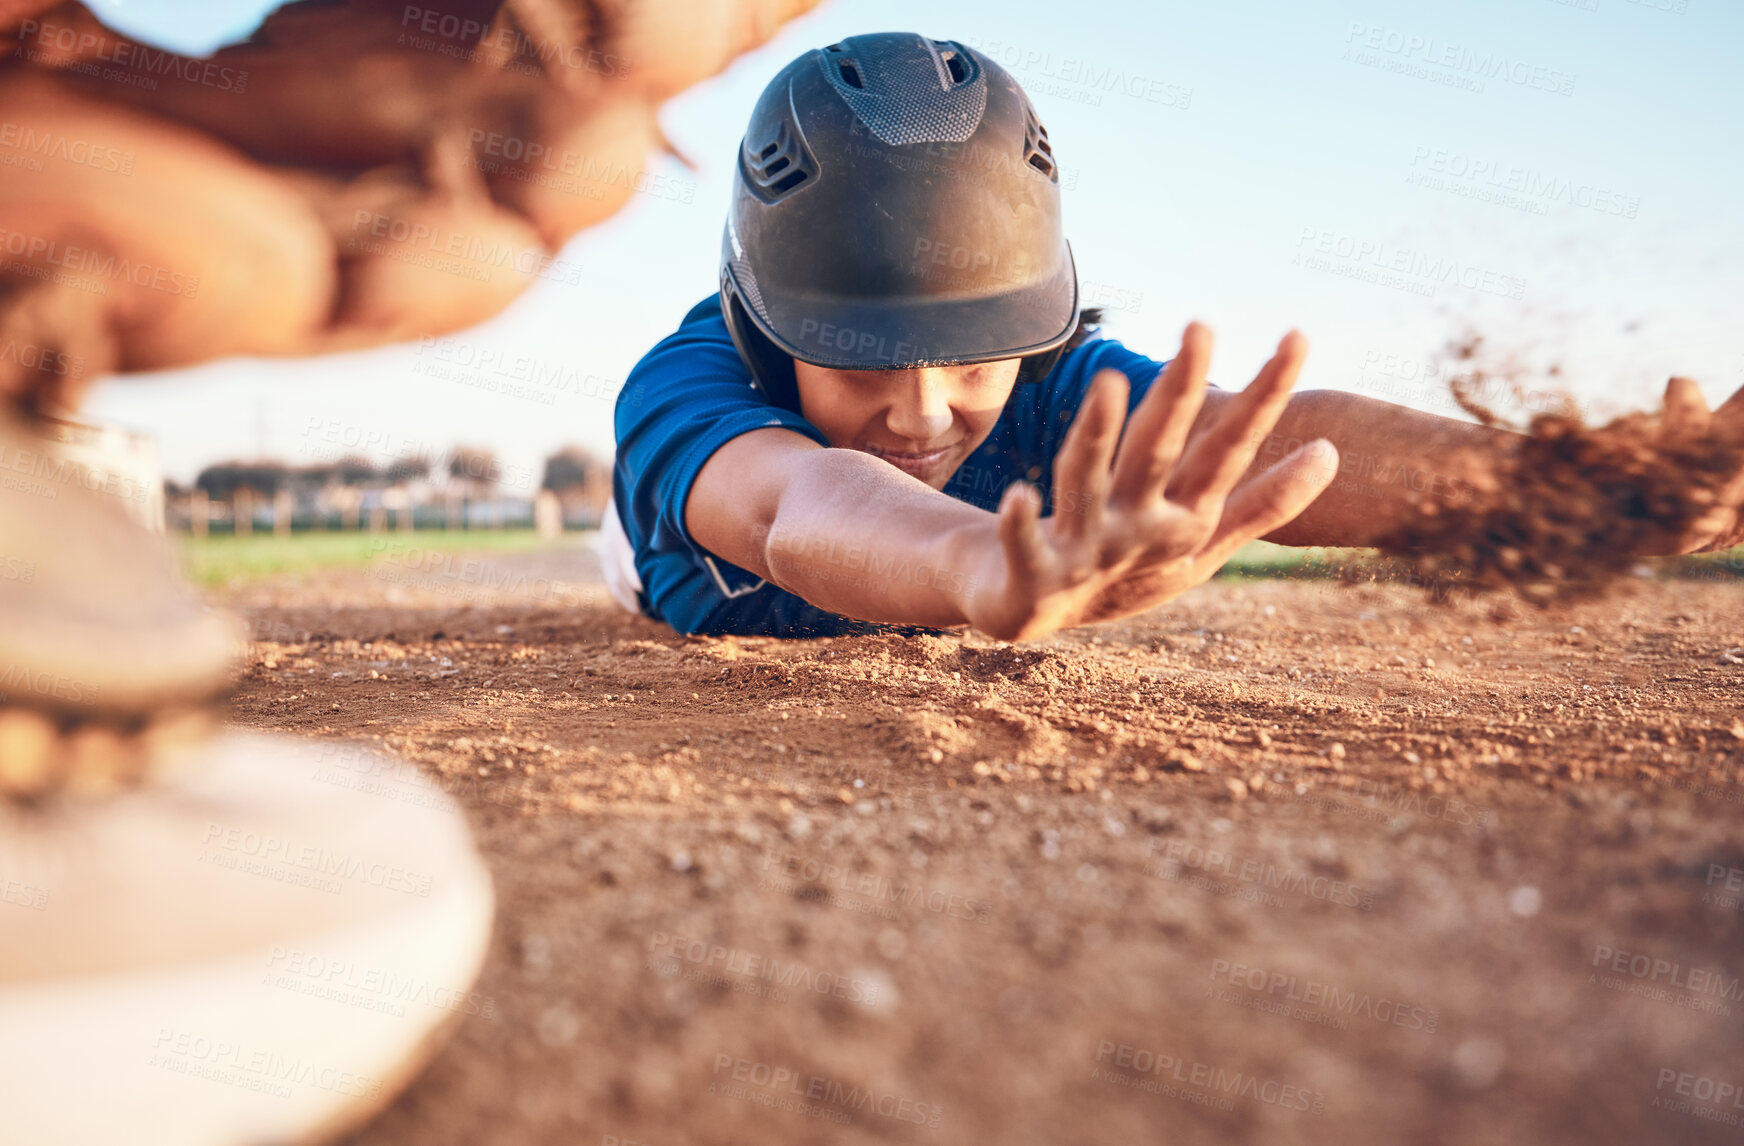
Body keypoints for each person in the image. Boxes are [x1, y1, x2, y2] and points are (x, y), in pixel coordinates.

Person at [604, 32, 1744, 642]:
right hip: (656, 574)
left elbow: (1264, 437)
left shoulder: (1061, 390)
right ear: (759, 322)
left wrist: (1576, 487)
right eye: (858, 358)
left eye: (972, 353)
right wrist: (974, 560)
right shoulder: (687, 390)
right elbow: (791, 511)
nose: (924, 411)